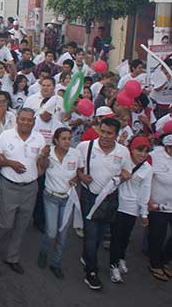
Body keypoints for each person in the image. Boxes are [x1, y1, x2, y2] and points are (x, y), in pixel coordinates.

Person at [75, 117, 132, 290]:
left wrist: (122, 177)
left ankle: (87, 255)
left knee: (100, 233)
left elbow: (127, 172)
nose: (105, 136)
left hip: (110, 199)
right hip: (89, 196)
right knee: (91, 234)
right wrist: (82, 176)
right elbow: (75, 167)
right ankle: (91, 272)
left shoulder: (123, 152)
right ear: (98, 129)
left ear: (116, 135)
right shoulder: (84, 147)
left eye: (110, 133)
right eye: (103, 131)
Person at [0, 108, 45, 274]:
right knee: (5, 223)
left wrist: (44, 159)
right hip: (9, 186)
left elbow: (42, 167)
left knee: (22, 225)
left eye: (29, 120)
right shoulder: (6, 136)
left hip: (30, 187)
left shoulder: (39, 138)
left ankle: (12, 257)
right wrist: (10, 163)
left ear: (34, 121)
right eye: (23, 119)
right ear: (17, 120)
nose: (26, 123)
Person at [36, 127, 80, 280]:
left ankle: (56, 263)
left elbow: (80, 171)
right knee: (51, 232)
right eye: (64, 138)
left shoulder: (75, 154)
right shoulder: (50, 153)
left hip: (67, 199)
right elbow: (41, 168)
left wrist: (77, 178)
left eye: (69, 138)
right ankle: (43, 251)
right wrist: (43, 155)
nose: (67, 142)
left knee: (62, 234)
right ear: (56, 140)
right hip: (51, 197)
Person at [109, 135, 152, 284]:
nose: (142, 154)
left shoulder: (147, 169)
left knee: (126, 236)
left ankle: (121, 257)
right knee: (116, 236)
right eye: (140, 150)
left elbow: (145, 192)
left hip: (132, 208)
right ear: (132, 149)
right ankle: (113, 265)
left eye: (146, 151)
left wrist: (144, 213)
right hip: (117, 205)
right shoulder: (122, 160)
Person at [149, 134, 172, 281]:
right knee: (158, 235)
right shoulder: (154, 157)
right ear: (167, 147)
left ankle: (166, 259)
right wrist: (148, 200)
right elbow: (147, 177)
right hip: (158, 205)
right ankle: (155, 263)